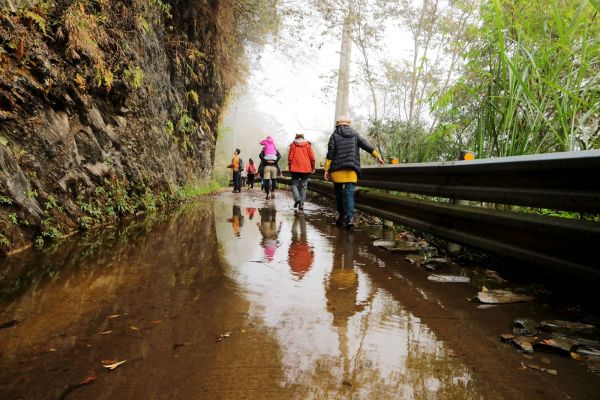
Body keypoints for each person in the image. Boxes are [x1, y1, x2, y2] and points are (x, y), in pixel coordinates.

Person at [324, 116, 384, 227]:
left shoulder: (334, 135)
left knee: (339, 194)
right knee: (349, 194)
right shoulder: (355, 135)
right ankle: (350, 218)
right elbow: (367, 146)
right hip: (351, 169)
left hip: (337, 170)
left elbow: (330, 153)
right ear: (348, 124)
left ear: (337, 124)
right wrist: (377, 156)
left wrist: (326, 169)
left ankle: (341, 216)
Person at [288, 133, 315, 210]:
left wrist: (290, 166)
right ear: (303, 138)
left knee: (294, 184)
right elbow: (312, 158)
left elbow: (290, 158)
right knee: (304, 185)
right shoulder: (308, 145)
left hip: (295, 168)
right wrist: (312, 167)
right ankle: (301, 204)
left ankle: (297, 199)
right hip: (306, 168)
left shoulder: (293, 145)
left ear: (296, 138)